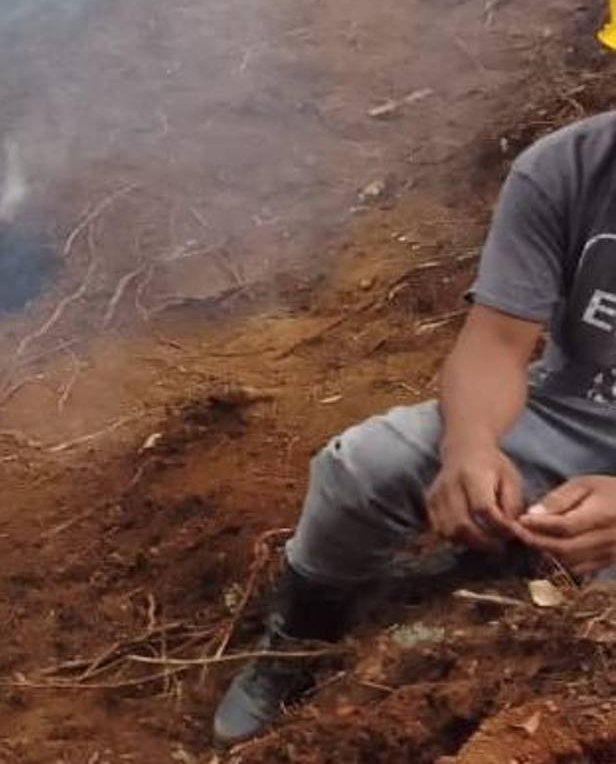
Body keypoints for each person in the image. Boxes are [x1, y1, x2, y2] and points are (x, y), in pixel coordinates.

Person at [213, 112, 616, 747]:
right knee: (363, 468)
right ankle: (298, 643)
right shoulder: (566, 169)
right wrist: (471, 446)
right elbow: (494, 345)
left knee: (596, 638)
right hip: (565, 416)